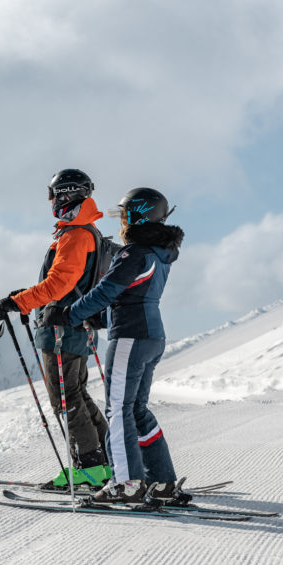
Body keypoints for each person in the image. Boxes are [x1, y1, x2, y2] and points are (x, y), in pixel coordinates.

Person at [42, 187, 187, 504]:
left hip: (130, 338)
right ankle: (162, 482)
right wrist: (96, 321)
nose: (120, 222)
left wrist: (70, 314)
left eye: (123, 215)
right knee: (136, 411)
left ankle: (127, 483)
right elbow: (134, 295)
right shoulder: (157, 253)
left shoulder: (133, 253)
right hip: (151, 336)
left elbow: (107, 290)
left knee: (119, 411)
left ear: (136, 215)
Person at [0, 169, 111, 490]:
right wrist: (22, 298)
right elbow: (63, 282)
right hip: (75, 325)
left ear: (66, 195)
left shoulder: (75, 235)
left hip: (62, 328)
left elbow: (59, 284)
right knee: (76, 393)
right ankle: (105, 460)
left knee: (65, 398)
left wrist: (19, 303)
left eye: (52, 195)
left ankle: (88, 469)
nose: (50, 202)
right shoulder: (86, 232)